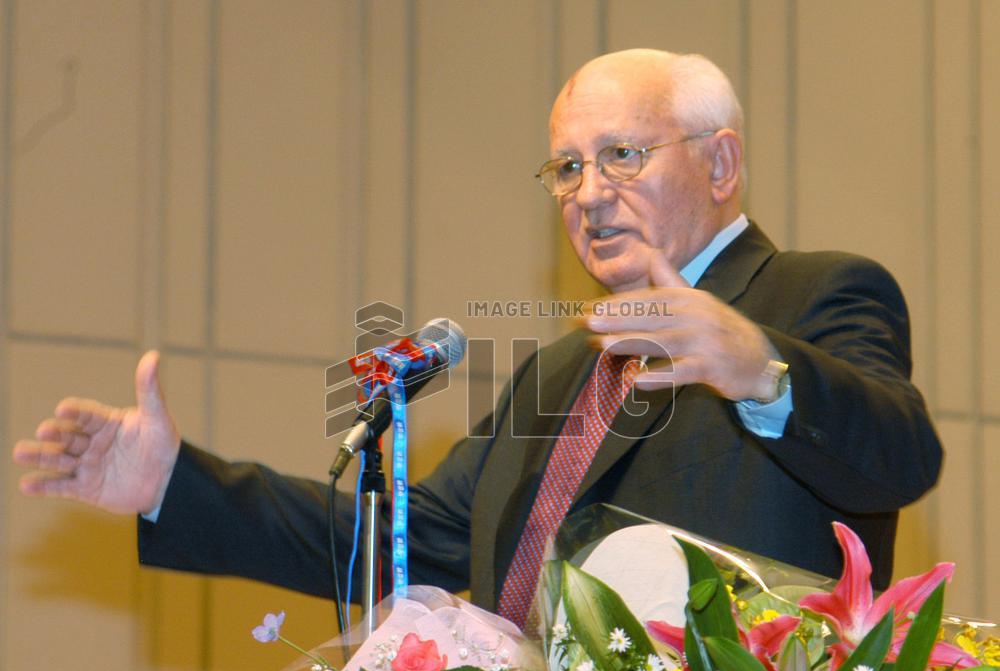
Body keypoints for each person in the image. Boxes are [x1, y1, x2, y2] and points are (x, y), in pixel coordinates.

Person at [11, 49, 942, 629]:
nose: (586, 192)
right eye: (567, 167)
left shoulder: (815, 293)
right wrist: (174, 484)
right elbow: (417, 538)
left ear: (723, 163)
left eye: (622, 155)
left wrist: (759, 370)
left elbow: (899, 457)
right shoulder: (566, 367)